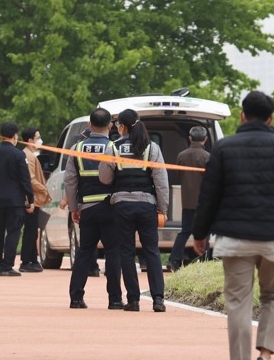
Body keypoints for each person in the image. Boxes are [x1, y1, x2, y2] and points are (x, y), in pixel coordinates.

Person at [191, 91, 274, 360]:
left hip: (233, 238)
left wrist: (199, 232)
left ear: (242, 115)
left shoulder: (224, 148)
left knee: (238, 301)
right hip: (273, 238)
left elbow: (209, 195)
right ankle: (266, 359)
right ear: (271, 119)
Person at [99, 108, 169, 312]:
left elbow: (104, 178)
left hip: (122, 206)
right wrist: (162, 209)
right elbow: (161, 181)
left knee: (126, 252)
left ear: (122, 127)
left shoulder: (114, 148)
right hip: (147, 206)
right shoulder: (152, 148)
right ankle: (158, 299)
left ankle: (134, 300)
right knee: (151, 251)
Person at [66, 108, 130, 309]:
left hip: (87, 206)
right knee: (113, 252)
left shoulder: (77, 148)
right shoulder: (114, 146)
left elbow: (70, 181)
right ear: (110, 125)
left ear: (89, 125)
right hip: (110, 207)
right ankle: (115, 299)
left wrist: (74, 208)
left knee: (84, 251)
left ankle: (76, 298)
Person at [0, 122, 34, 277]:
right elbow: (25, 179)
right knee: (13, 232)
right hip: (15, 201)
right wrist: (30, 199)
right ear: (15, 136)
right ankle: (7, 265)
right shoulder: (19, 155)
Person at [167, 125, 211, 271]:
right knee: (205, 232)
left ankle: (174, 260)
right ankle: (203, 261)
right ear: (205, 139)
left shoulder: (181, 155)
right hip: (203, 203)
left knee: (185, 231)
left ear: (190, 138)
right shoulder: (207, 157)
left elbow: (179, 176)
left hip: (187, 202)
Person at [18, 126, 51, 273]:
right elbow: (30, 179)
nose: (40, 140)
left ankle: (32, 259)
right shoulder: (28, 156)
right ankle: (26, 260)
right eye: (37, 137)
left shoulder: (31, 155)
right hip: (31, 199)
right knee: (30, 230)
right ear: (30, 140)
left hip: (33, 198)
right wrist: (44, 189)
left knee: (33, 230)